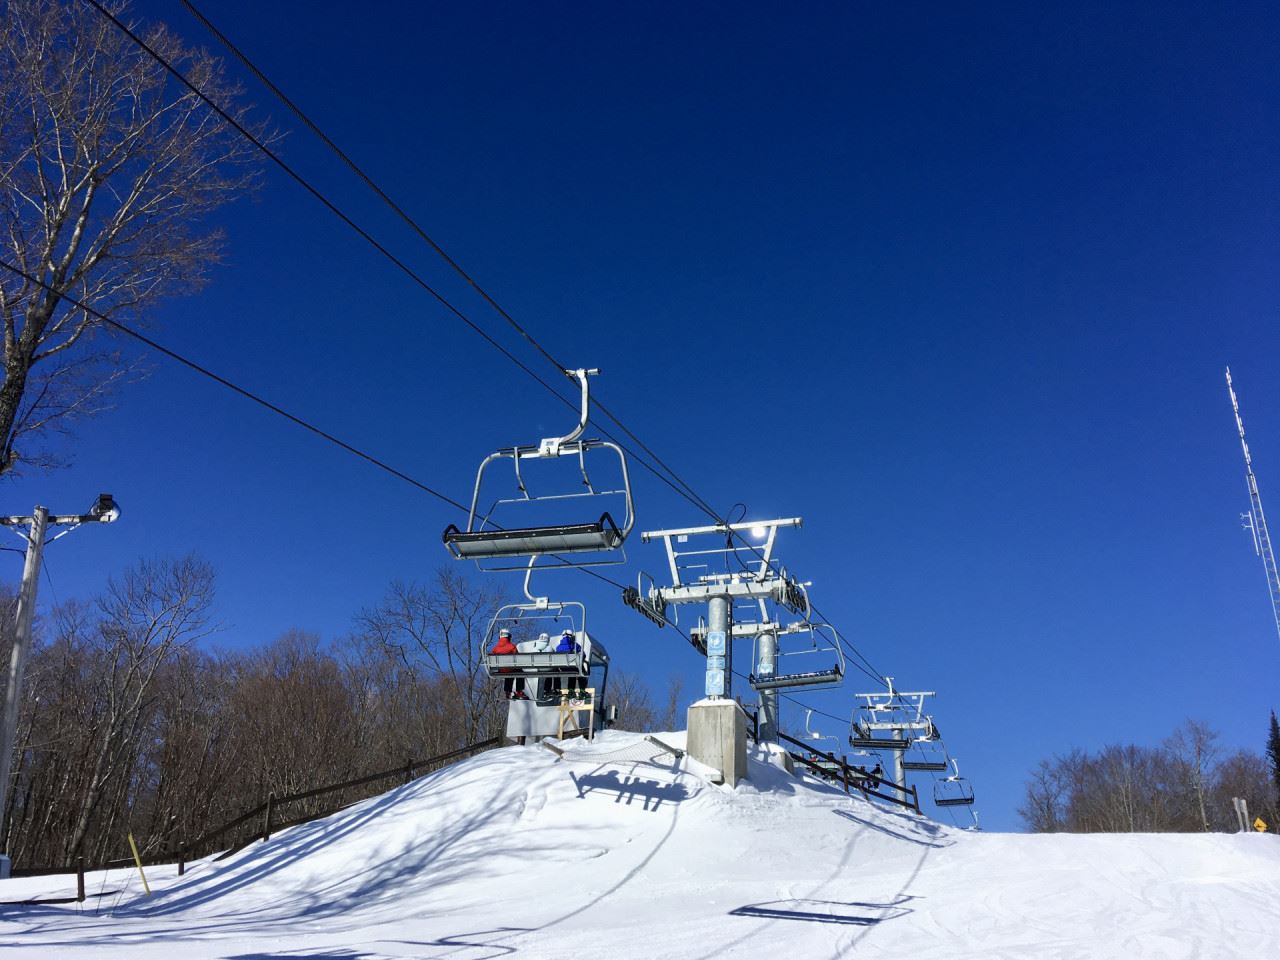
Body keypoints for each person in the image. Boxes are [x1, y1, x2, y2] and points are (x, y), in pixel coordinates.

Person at [490, 628, 526, 700]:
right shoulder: (512, 647)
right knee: (518, 671)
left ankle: (507, 691)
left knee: (507, 671)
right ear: (509, 637)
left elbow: (492, 659)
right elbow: (517, 658)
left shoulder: (495, 649)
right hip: (510, 668)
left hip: (501, 670)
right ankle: (519, 691)